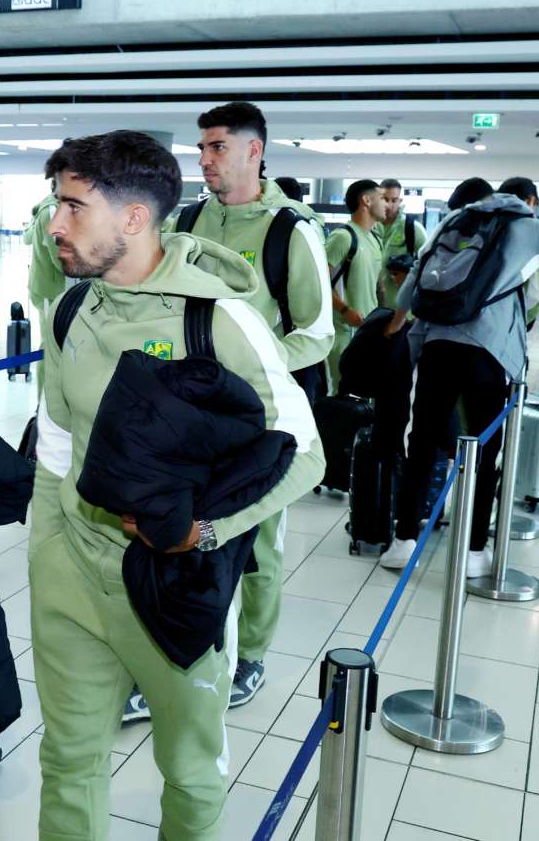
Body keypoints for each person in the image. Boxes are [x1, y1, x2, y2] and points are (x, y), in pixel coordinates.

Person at [30, 130, 323, 840]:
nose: (54, 225)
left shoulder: (219, 318)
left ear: (134, 218)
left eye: (73, 207)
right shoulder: (69, 310)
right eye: (55, 205)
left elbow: (307, 453)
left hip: (173, 587)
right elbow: (55, 448)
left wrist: (207, 532)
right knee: (67, 763)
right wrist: (45, 556)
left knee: (190, 772)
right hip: (71, 578)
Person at [183, 101, 332, 707]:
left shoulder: (291, 229)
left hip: (258, 414)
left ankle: (250, 656)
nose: (205, 159)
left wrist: (252, 367)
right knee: (182, 533)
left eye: (217, 146)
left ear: (254, 151)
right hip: (190, 410)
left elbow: (316, 333)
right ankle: (180, 653)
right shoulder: (189, 220)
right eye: (201, 148)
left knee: (258, 541)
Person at [380, 176, 539, 573]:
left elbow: (410, 287)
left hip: (437, 346)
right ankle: (473, 551)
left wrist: (400, 331)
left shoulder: (453, 222)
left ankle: (404, 540)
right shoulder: (529, 228)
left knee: (423, 441)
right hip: (490, 352)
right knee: (485, 449)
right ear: (527, 201)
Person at [326, 179, 386, 394]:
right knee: (344, 394)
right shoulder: (343, 237)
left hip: (369, 330)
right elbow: (318, 283)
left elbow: (376, 286)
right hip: (345, 332)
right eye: (382, 198)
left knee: (366, 393)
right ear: (366, 200)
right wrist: (344, 310)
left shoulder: (376, 240)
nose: (386, 204)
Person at [376, 178, 428, 309]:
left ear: (400, 201)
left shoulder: (413, 229)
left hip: (403, 311)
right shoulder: (370, 228)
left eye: (394, 200)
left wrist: (409, 277)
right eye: (385, 199)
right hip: (371, 309)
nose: (389, 205)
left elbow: (429, 266)